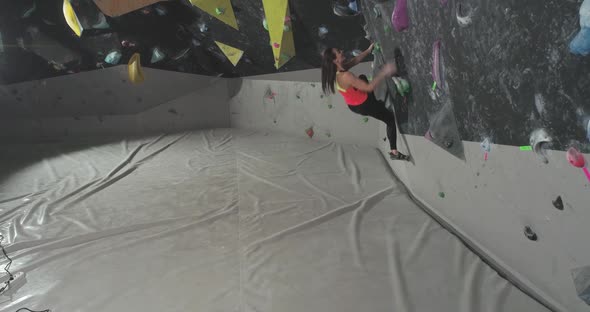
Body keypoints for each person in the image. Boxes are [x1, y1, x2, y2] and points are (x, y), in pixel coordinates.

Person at [321, 44, 409, 160]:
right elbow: (369, 88)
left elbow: (355, 60)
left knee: (362, 77)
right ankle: (394, 151)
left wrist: (368, 51)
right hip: (364, 105)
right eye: (338, 51)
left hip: (355, 102)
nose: (341, 50)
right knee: (390, 119)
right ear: (335, 60)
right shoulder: (346, 76)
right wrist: (385, 71)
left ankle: (379, 105)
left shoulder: (340, 69)